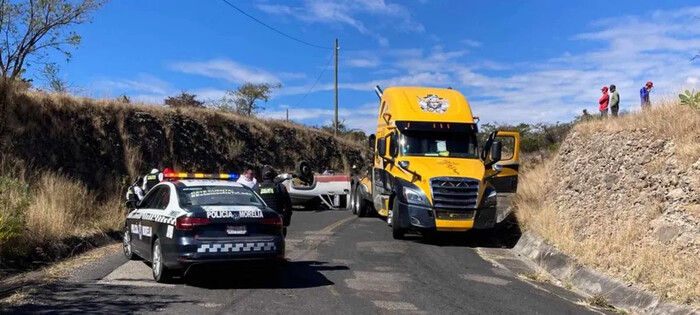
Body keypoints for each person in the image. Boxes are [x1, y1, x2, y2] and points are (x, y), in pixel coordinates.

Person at [257, 165, 293, 237]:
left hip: (261, 221)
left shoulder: (256, 188)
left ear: (262, 176)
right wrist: (286, 220)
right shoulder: (280, 187)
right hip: (277, 220)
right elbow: (288, 206)